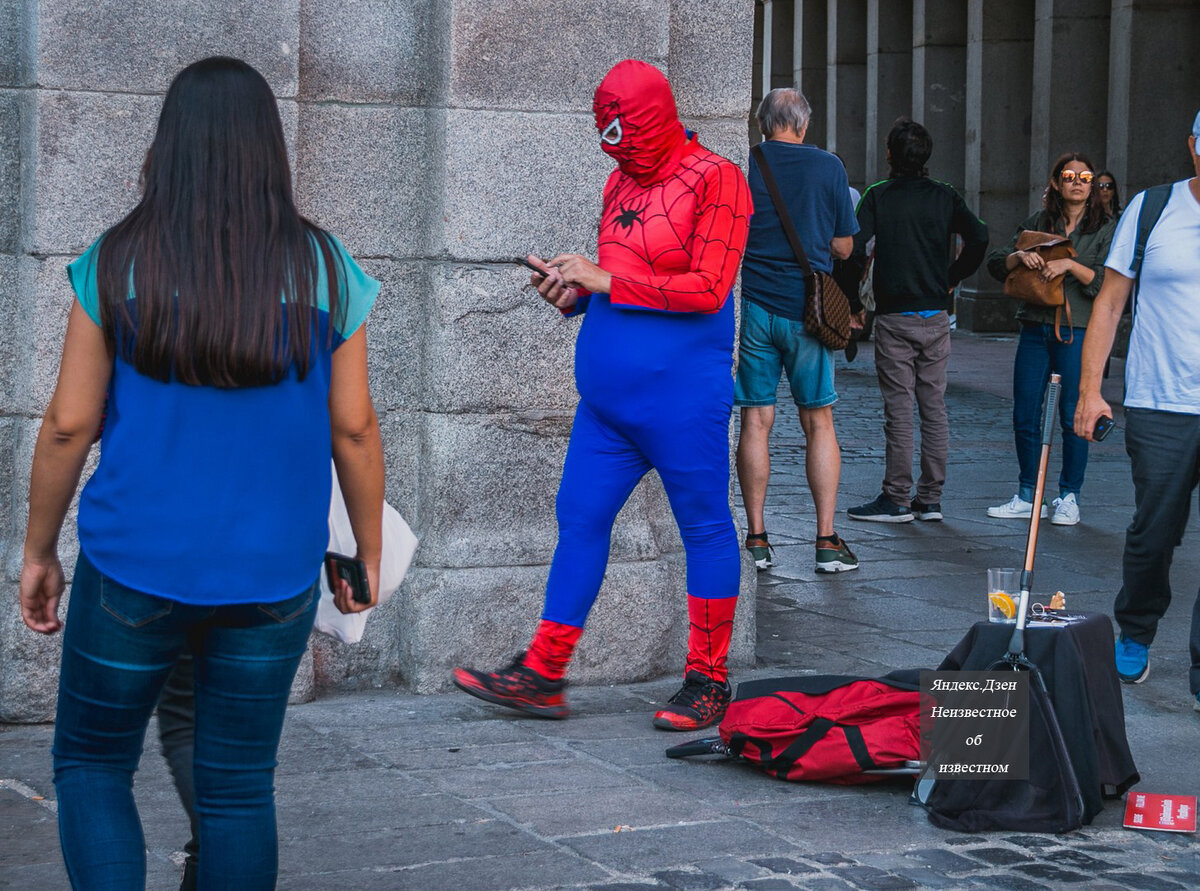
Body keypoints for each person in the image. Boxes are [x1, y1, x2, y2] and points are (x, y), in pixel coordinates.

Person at [18, 57, 384, 889]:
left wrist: (38, 553)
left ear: (168, 147)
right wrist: (365, 551)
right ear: (270, 150)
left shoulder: (115, 262)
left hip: (132, 566)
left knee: (92, 764)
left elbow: (69, 424)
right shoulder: (327, 269)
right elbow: (355, 429)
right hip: (272, 574)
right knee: (237, 788)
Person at [453, 60, 752, 731]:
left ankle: (707, 679)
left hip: (683, 402)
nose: (617, 149)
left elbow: (708, 287)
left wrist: (606, 280)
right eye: (607, 135)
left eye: (625, 132)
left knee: (704, 525)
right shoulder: (620, 180)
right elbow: (621, 282)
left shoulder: (719, 178)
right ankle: (544, 672)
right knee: (579, 519)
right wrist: (572, 292)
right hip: (608, 408)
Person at [1076, 110, 1200, 703]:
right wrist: (1089, 390)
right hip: (1162, 402)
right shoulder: (1153, 209)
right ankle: (1136, 630)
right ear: (1193, 147)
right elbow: (1106, 305)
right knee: (1155, 531)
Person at [734, 88, 861, 573]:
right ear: (803, 125)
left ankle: (758, 538)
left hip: (757, 307)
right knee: (818, 422)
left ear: (763, 124)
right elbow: (845, 248)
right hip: (811, 312)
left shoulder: (747, 165)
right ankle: (826, 541)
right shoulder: (829, 167)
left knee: (755, 421)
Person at [846, 119, 988, 523]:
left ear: (890, 154)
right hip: (935, 314)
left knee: (899, 408)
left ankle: (896, 497)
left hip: (894, 316)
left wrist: (856, 297)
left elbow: (855, 248)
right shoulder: (945, 195)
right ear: (927, 156)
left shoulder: (878, 195)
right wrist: (952, 277)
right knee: (933, 406)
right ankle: (930, 498)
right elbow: (979, 237)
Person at [985, 153, 1116, 526]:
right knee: (1025, 412)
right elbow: (997, 262)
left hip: (1077, 332)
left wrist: (1070, 264)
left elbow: (1108, 283)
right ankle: (1029, 493)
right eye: (1069, 175)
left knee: (1075, 413)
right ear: (1057, 183)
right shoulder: (1039, 222)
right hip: (1034, 326)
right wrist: (1019, 257)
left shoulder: (1106, 228)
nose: (1078, 181)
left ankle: (1069, 495)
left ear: (1092, 187)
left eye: (1086, 176)